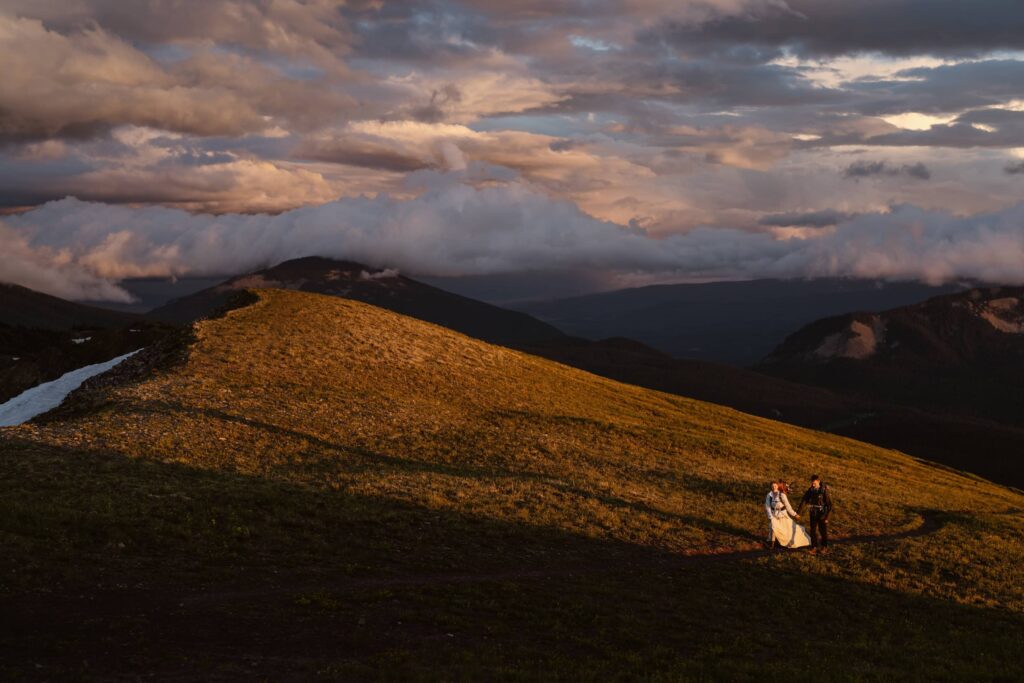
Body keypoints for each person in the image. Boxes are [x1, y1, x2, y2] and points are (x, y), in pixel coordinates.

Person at [764, 480, 811, 549]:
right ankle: (772, 544)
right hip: (774, 515)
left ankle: (792, 541)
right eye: (772, 486)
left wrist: (794, 514)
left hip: (783, 515)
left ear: (777, 486)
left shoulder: (782, 495)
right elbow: (767, 506)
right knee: (773, 527)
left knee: (787, 530)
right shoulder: (769, 495)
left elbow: (788, 506)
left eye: (775, 486)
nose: (774, 487)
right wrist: (770, 516)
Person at [797, 474, 833, 554]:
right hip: (813, 513)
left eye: (814, 483)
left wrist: (827, 517)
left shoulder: (824, 490)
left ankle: (824, 547)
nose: (813, 485)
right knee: (813, 531)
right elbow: (804, 501)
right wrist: (798, 512)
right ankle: (814, 547)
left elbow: (829, 505)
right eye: (812, 483)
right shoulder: (810, 490)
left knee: (822, 530)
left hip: (822, 513)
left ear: (818, 481)